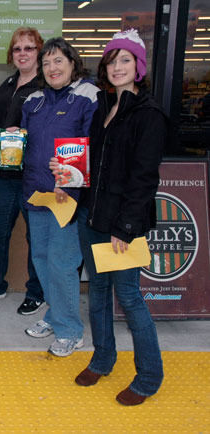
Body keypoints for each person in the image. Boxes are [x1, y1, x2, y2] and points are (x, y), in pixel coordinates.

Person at [57, 29, 166, 405]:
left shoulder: (149, 114)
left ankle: (149, 376)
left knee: (130, 297)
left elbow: (144, 179)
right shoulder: (104, 106)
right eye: (112, 59)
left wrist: (127, 227)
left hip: (122, 224)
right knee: (99, 293)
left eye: (125, 59)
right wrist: (68, 175)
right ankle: (103, 358)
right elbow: (93, 165)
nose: (117, 66)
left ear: (139, 66)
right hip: (92, 216)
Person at [20, 38, 98, 357]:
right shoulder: (33, 101)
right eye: (47, 63)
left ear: (72, 63)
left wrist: (70, 180)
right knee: (41, 259)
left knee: (63, 263)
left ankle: (70, 331)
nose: (53, 68)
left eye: (59, 61)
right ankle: (55, 316)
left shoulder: (88, 96)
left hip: (68, 196)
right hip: (36, 193)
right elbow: (25, 145)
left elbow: (93, 144)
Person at [0, 27, 46, 316]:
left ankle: (36, 292)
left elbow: (49, 129)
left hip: (33, 175)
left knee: (36, 237)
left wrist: (25, 132)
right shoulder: (7, 85)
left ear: (39, 52)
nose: (23, 53)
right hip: (4, 173)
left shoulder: (46, 86)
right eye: (18, 49)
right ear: (11, 55)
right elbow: (3, 128)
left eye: (29, 48)